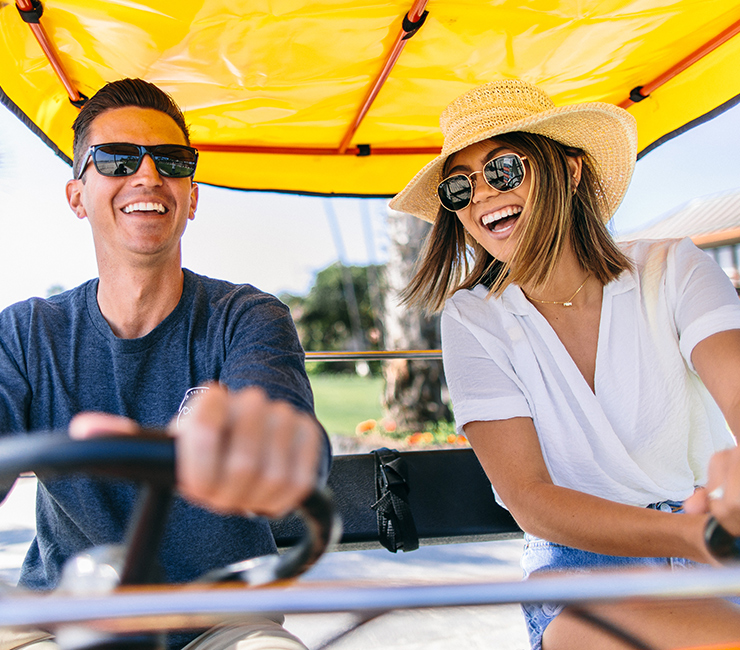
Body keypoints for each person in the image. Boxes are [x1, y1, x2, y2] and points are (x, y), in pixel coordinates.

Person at [389, 78, 740, 650]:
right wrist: (691, 533)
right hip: (585, 567)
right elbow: (530, 497)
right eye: (459, 188)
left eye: (502, 169)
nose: (479, 196)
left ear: (569, 171)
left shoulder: (674, 268)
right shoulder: (473, 320)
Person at [0, 78, 329, 650]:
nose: (148, 176)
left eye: (172, 161)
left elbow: (287, 426)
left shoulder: (245, 317)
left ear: (192, 196)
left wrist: (262, 448)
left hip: (222, 620)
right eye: (118, 159)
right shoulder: (25, 333)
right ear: (77, 196)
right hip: (58, 617)